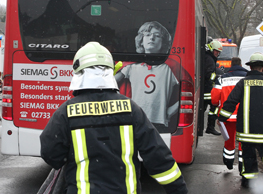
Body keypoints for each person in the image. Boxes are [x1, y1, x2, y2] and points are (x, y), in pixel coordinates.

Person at [40, 42, 188, 194]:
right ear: (110, 71)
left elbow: (50, 154)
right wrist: (178, 189)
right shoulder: (131, 109)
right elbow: (157, 156)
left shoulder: (66, 112)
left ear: (78, 72)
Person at [218, 52, 263, 188]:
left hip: (246, 130)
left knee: (248, 155)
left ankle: (248, 181)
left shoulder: (243, 83)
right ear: (262, 68)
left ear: (250, 67)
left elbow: (231, 102)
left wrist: (222, 118)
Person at [115, 21, 180, 130]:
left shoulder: (169, 68)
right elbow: (110, 83)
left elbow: (185, 91)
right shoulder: (131, 67)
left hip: (159, 122)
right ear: (141, 40)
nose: (152, 38)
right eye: (148, 35)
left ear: (163, 43)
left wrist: (171, 111)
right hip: (136, 119)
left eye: (157, 36)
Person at [211, 57, 248, 171]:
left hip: (227, 116)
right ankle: (243, 163)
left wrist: (218, 107)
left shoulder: (222, 79)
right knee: (244, 141)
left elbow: (214, 99)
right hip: (244, 115)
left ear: (231, 65)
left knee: (229, 140)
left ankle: (229, 161)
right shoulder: (248, 78)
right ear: (241, 64)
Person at [203, 39, 223, 135]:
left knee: (204, 109)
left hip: (206, 89)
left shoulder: (207, 57)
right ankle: (210, 127)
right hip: (207, 90)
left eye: (219, 52)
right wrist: (217, 77)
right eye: (216, 51)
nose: (217, 53)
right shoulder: (210, 60)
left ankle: (207, 127)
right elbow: (208, 75)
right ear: (211, 49)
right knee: (214, 107)